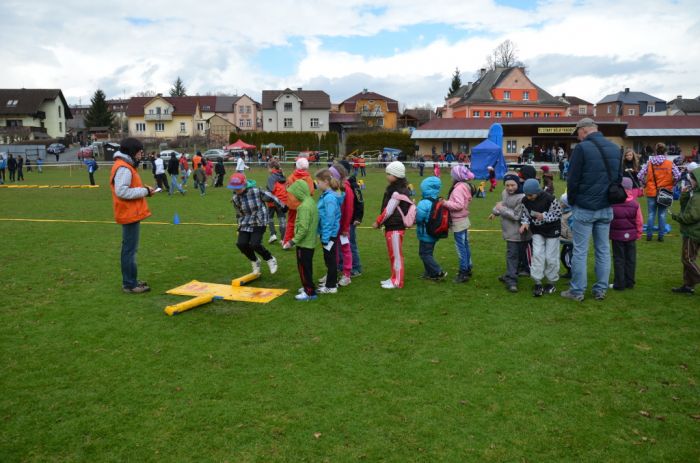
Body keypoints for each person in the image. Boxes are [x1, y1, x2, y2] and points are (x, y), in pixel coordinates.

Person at [562, 118, 622, 302]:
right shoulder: (615, 148)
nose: (578, 137)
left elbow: (572, 180)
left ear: (583, 130)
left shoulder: (581, 149)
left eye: (578, 133)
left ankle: (577, 290)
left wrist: (572, 201)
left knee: (580, 250)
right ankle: (600, 290)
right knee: (603, 250)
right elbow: (618, 179)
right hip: (605, 207)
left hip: (585, 207)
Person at [110, 138, 156, 294]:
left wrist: (144, 190)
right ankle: (130, 284)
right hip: (129, 213)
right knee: (129, 250)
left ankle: (130, 280)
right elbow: (121, 191)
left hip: (130, 213)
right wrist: (145, 191)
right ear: (131, 151)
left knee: (129, 249)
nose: (140, 154)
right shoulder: (124, 168)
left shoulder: (125, 166)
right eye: (139, 151)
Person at [228, 173, 285, 276]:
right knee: (241, 244)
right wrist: (239, 227)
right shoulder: (235, 198)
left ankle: (270, 259)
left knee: (255, 244)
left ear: (244, 184)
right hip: (245, 222)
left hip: (259, 220)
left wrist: (282, 206)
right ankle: (255, 261)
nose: (237, 190)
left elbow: (271, 197)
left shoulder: (256, 191)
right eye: (234, 188)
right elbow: (239, 214)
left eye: (238, 188)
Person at [520, 178, 562, 296]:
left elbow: (558, 214)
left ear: (537, 191)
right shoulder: (525, 201)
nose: (529, 197)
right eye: (527, 195)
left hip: (552, 230)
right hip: (537, 231)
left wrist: (544, 216)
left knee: (551, 257)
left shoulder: (550, 199)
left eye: (531, 195)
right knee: (537, 254)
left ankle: (551, 281)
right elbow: (525, 215)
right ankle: (537, 281)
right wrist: (525, 223)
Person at [373, 161, 412, 289]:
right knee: (393, 255)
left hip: (396, 227)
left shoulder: (397, 191)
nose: (387, 176)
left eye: (389, 174)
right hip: (392, 227)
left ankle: (398, 281)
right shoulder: (395, 189)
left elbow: (388, 210)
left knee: (396, 256)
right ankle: (393, 277)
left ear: (396, 175)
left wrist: (378, 222)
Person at [489, 173, 530, 292]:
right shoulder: (504, 192)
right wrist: (495, 212)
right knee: (514, 255)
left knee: (513, 256)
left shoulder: (522, 197)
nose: (510, 188)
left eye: (513, 185)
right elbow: (503, 204)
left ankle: (512, 281)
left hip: (518, 233)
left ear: (518, 184)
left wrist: (501, 209)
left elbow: (516, 216)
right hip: (509, 231)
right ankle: (509, 274)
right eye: (507, 185)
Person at [637, 143, 681, 242]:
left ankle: (649, 236)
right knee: (662, 215)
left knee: (651, 214)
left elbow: (639, 175)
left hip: (651, 191)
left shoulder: (649, 163)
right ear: (665, 152)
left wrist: (645, 183)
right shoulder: (670, 163)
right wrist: (673, 183)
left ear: (655, 152)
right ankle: (660, 236)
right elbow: (678, 175)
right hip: (665, 192)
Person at [609, 177, 643, 291]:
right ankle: (629, 281)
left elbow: (609, 220)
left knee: (619, 258)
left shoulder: (613, 203)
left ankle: (619, 283)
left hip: (617, 236)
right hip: (631, 236)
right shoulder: (635, 204)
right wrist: (638, 233)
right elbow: (639, 221)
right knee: (630, 258)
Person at [670, 164, 700, 294]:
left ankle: (694, 280)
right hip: (692, 231)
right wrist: (685, 195)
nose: (690, 182)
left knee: (687, 259)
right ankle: (688, 286)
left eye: (692, 180)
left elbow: (691, 216)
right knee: (689, 258)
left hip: (693, 232)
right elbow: (684, 206)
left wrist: (677, 217)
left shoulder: (698, 197)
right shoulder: (695, 194)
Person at [288, 180, 319, 301]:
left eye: (294, 193)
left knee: (303, 267)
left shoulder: (303, 207)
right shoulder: (310, 202)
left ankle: (309, 292)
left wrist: (292, 241)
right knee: (307, 267)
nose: (293, 196)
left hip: (304, 243)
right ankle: (308, 286)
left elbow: (303, 228)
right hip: (310, 242)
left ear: (299, 192)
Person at [443, 165, 474, 283]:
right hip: (464, 220)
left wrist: (444, 203)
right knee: (465, 245)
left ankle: (463, 272)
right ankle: (468, 266)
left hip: (458, 221)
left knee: (460, 247)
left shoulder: (458, 189)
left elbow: (459, 205)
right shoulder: (464, 186)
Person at [315, 169, 343, 294]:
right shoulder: (327, 195)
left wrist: (325, 237)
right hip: (327, 233)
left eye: (318, 182)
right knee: (329, 259)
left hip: (329, 235)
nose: (317, 184)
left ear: (326, 181)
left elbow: (329, 219)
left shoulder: (329, 197)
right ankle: (332, 283)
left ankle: (331, 286)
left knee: (330, 259)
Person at [416, 176, 448, 281]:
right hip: (435, 232)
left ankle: (437, 271)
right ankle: (429, 272)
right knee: (427, 253)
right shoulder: (438, 200)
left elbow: (419, 218)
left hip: (425, 233)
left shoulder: (424, 202)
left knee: (424, 254)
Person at [329, 164, 355, 287]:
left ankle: (347, 274)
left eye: (330, 176)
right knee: (332, 249)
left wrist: (345, 228)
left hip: (342, 227)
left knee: (345, 249)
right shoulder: (333, 189)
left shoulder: (347, 189)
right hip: (333, 226)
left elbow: (348, 210)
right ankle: (332, 272)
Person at [337, 160, 364, 277]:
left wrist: (358, 217)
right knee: (340, 244)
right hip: (341, 220)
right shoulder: (339, 185)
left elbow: (360, 202)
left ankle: (356, 267)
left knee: (350, 244)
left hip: (351, 220)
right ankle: (342, 265)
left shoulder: (353, 185)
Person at [282, 158, 315, 249]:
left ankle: (287, 242)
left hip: (292, 204)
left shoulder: (291, 177)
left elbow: (287, 190)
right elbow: (311, 192)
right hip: (303, 205)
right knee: (303, 223)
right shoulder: (308, 178)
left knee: (291, 223)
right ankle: (299, 240)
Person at [265, 160, 287, 243]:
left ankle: (273, 234)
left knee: (269, 217)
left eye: (268, 168)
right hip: (282, 201)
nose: (268, 170)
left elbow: (271, 189)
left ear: (273, 168)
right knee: (282, 219)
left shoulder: (271, 177)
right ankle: (283, 239)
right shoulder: (283, 175)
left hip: (272, 200)